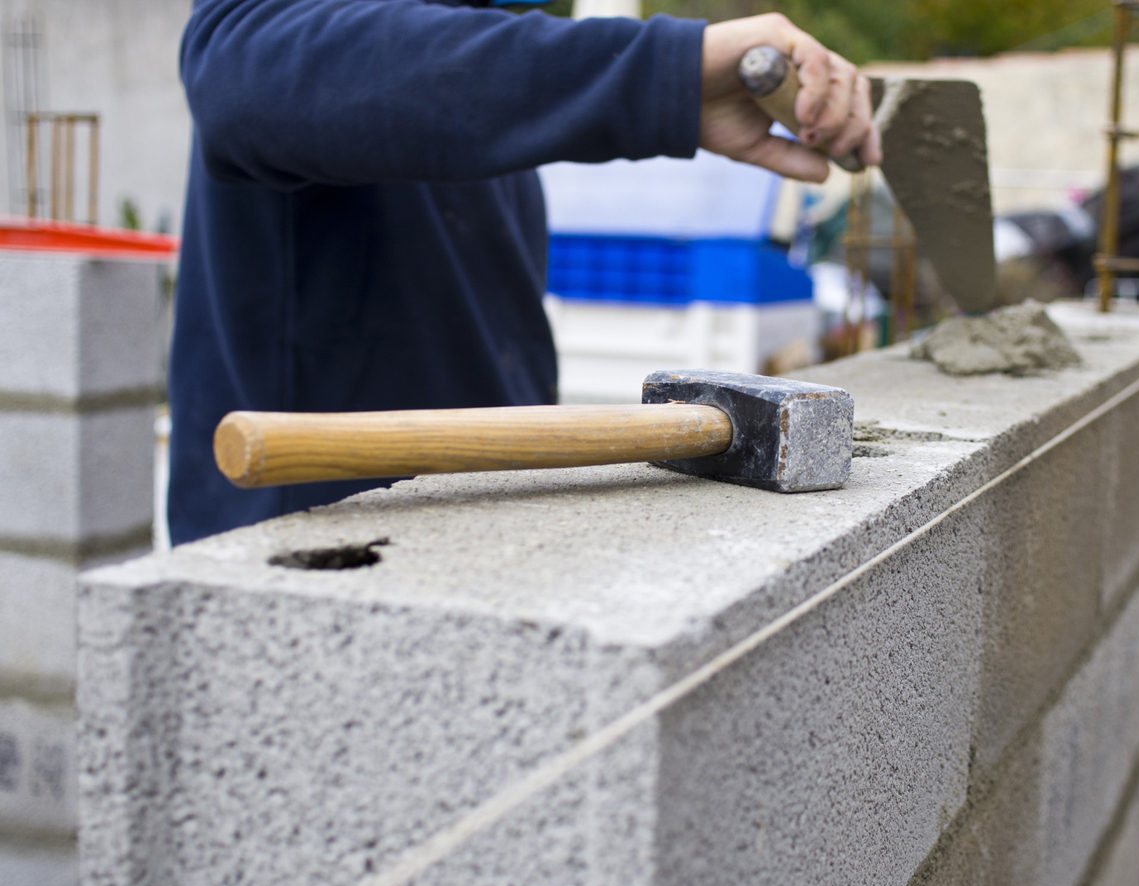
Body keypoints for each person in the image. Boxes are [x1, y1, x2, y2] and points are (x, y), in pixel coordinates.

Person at [169, 0, 881, 545]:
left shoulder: (482, 70)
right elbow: (242, 80)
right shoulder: (297, 38)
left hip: (471, 547)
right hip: (304, 561)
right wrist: (659, 75)